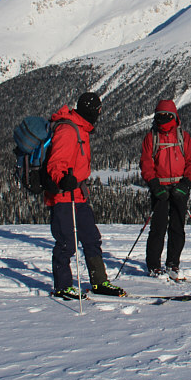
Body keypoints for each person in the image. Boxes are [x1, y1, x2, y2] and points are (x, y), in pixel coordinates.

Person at [46, 92, 125, 299]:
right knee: (66, 243)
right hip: (64, 196)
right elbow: (56, 162)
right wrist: (62, 179)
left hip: (79, 195)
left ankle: (99, 282)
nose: (99, 114)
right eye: (98, 110)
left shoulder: (81, 129)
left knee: (91, 238)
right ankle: (62, 286)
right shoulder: (68, 129)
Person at [140, 99, 191, 280]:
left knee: (176, 227)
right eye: (160, 116)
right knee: (158, 228)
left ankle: (173, 263)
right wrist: (155, 185)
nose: (163, 119)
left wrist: (186, 183)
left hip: (178, 187)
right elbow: (146, 163)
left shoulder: (182, 137)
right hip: (161, 188)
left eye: (166, 116)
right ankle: (154, 265)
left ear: (174, 116)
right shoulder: (152, 137)